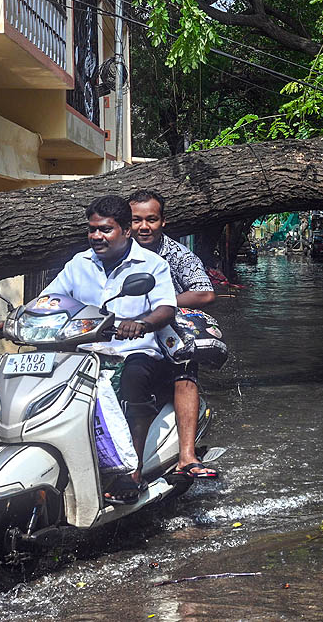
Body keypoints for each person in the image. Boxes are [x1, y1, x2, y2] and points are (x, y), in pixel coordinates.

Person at [0, 195, 178, 503]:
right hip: (83, 351)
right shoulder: (79, 263)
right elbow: (48, 301)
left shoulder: (152, 265)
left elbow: (166, 309)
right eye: (92, 229)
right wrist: (13, 320)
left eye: (105, 230)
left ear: (126, 230)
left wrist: (140, 324)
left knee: (133, 379)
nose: (96, 236)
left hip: (132, 351)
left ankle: (131, 469)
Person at [128, 189, 220, 479]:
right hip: (122, 335)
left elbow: (205, 293)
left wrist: (164, 302)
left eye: (151, 220)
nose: (144, 226)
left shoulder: (177, 254)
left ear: (163, 221)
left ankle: (187, 456)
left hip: (168, 335)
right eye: (137, 220)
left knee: (184, 370)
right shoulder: (113, 254)